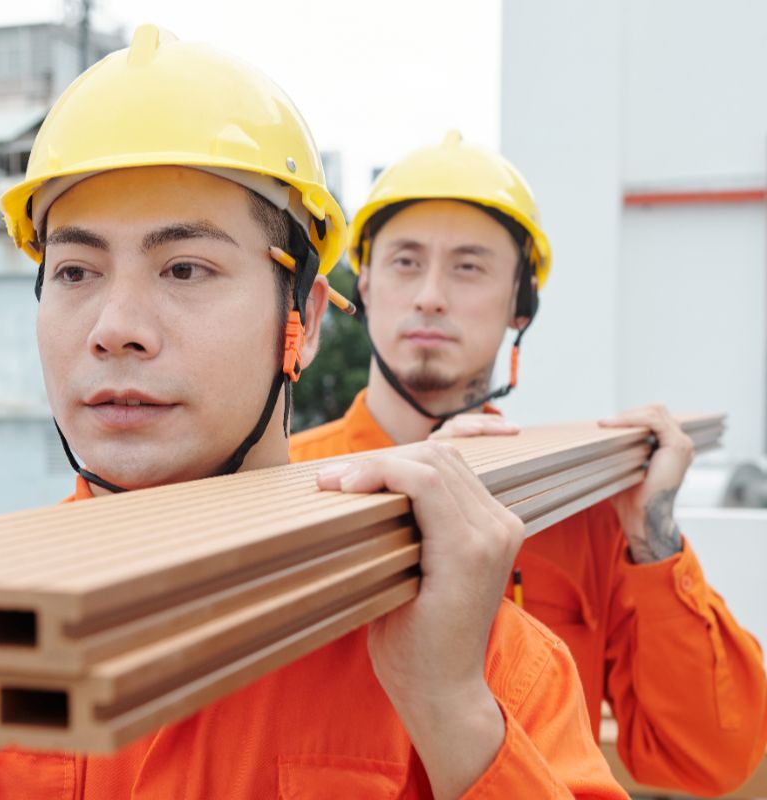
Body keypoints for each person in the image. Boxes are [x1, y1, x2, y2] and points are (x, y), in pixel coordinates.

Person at [0, 29, 625, 800]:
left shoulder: (476, 660)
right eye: (75, 271)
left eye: (185, 268)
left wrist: (453, 716)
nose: (115, 329)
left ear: (306, 318)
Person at [291, 131, 767, 795]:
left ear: (522, 304)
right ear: (364, 284)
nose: (430, 295)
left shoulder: (583, 510)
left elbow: (713, 755)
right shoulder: (283, 486)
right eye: (405, 261)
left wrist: (653, 536)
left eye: (468, 267)